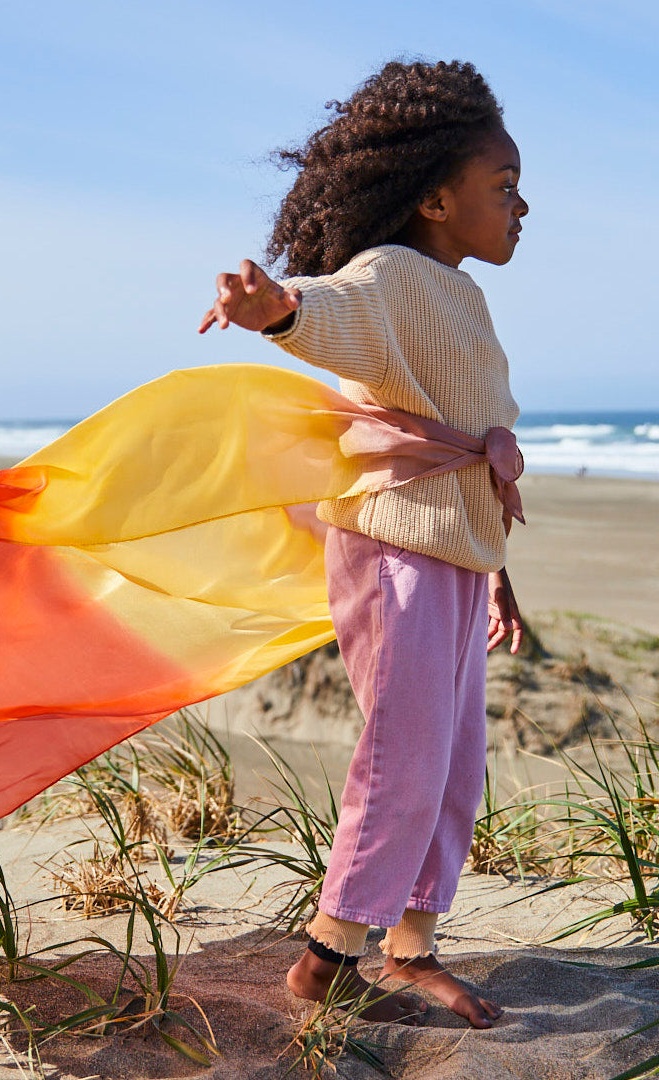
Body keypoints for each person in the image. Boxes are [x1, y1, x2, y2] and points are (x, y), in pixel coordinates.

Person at [199, 59, 527, 1028]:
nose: (521, 207)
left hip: (458, 551)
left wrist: (500, 574)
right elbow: (338, 312)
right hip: (396, 551)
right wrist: (278, 310)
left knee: (457, 761)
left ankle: (411, 944)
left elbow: (468, 443)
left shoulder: (459, 293)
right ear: (434, 198)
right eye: (502, 189)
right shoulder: (389, 277)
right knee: (406, 753)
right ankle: (329, 954)